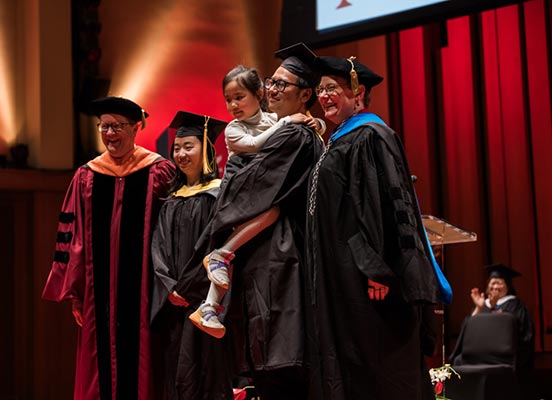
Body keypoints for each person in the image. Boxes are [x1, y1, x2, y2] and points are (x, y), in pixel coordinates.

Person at [305, 55, 448, 399]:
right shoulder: (339, 139)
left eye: (332, 88)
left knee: (379, 368)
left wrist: (377, 271)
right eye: (320, 89)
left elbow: (382, 206)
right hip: (343, 276)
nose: (324, 96)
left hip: (367, 280)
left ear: (358, 91)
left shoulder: (371, 136)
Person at [190, 43, 324, 400]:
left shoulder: (294, 134)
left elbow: (249, 189)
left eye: (283, 85)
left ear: (306, 94)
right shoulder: (286, 129)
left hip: (279, 259)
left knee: (279, 365)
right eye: (272, 83)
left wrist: (232, 178)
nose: (273, 90)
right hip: (272, 255)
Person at [41, 96, 175, 400]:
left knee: (144, 361)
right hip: (97, 295)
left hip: (145, 292)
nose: (110, 134)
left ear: (136, 127)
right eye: (104, 127)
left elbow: (172, 232)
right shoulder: (86, 176)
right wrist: (76, 290)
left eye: (117, 127)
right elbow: (71, 238)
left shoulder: (159, 171)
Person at [149, 111, 233, 400]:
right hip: (174, 303)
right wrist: (169, 287)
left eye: (189, 146)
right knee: (178, 376)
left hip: (206, 301)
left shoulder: (218, 196)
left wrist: (186, 287)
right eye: (177, 148)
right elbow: (157, 248)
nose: (181, 154)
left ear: (206, 148)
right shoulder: (171, 200)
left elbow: (214, 247)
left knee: (208, 373)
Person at [221, 65, 325, 182]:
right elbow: (253, 145)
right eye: (228, 100)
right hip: (239, 182)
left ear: (259, 94)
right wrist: (285, 121)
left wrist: (318, 123)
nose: (233, 105)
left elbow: (316, 127)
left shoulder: (272, 119)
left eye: (239, 97)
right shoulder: (233, 128)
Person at [451, 263, 535, 397]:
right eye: (492, 283)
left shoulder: (515, 305)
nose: (495, 287)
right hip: (478, 356)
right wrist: (479, 308)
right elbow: (469, 331)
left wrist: (495, 308)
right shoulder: (482, 305)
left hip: (502, 358)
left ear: (508, 286)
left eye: (499, 283)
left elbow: (513, 331)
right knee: (458, 362)